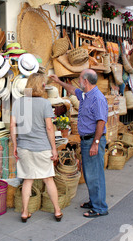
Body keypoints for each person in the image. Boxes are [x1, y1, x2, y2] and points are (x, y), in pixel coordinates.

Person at [49, 69, 109, 218]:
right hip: (86, 140)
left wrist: (95, 143)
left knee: (95, 174)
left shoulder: (97, 98)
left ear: (86, 81)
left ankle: (100, 207)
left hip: (93, 140)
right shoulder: (84, 95)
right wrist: (58, 81)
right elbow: (72, 90)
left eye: (80, 79)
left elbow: (101, 122)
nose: (78, 81)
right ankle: (94, 201)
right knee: (89, 174)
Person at [10, 73, 63, 222]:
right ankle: (57, 211)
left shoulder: (18, 103)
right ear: (42, 86)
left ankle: (25, 212)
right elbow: (49, 128)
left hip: (24, 147)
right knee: (48, 179)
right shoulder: (45, 103)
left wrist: (15, 145)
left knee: (28, 180)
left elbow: (13, 126)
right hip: (42, 147)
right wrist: (54, 148)